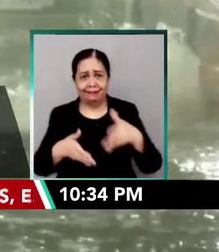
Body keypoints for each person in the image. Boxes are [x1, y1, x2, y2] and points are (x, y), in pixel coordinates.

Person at [32, 48, 163, 179]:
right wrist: (59, 151)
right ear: (75, 81)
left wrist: (135, 137)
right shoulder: (61, 114)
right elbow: (39, 167)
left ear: (108, 78)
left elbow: (152, 165)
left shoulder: (126, 110)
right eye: (84, 76)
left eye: (99, 75)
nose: (92, 83)